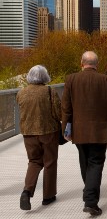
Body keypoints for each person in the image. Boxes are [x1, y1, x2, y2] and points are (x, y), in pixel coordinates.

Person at [62, 51, 107, 216]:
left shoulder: (71, 79)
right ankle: (90, 201)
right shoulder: (106, 80)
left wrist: (65, 130)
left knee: (85, 162)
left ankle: (89, 192)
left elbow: (66, 108)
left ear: (82, 62)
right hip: (99, 131)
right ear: (97, 64)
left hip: (79, 130)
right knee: (95, 163)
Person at [16, 65, 61, 210]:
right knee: (49, 162)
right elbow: (58, 113)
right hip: (48, 132)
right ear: (45, 77)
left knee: (34, 162)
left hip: (28, 134)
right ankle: (48, 196)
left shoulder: (21, 93)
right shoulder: (49, 91)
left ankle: (27, 191)